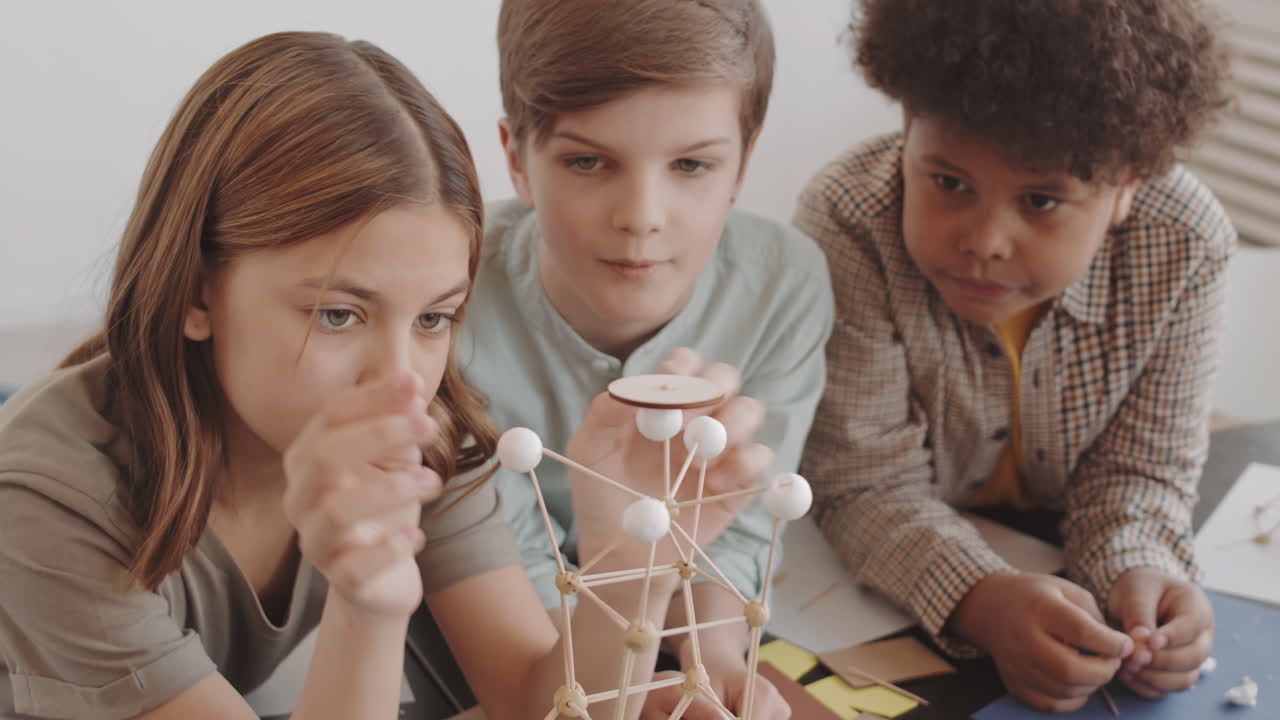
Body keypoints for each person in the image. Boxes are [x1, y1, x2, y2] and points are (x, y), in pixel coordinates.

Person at [0, 31, 769, 720]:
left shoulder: (426, 433)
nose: (401, 383)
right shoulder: (54, 505)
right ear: (198, 288)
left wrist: (628, 563)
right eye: (339, 314)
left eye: (433, 319)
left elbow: (542, 703)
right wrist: (368, 613)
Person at [796, 0, 1234, 712]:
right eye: (948, 183)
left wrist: (1140, 573)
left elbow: (1141, 472)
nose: (986, 241)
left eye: (1040, 200)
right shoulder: (849, 221)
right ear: (907, 129)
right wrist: (983, 600)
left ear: (1126, 188)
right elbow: (863, 484)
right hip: (885, 590)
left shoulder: (1184, 245)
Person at [459, 0, 835, 715]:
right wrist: (626, 680)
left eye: (692, 163)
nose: (641, 215)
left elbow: (743, 519)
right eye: (588, 161)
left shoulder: (787, 282)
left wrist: (715, 657)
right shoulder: (447, 304)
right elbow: (515, 592)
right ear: (517, 159)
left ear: (743, 162)